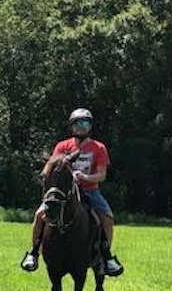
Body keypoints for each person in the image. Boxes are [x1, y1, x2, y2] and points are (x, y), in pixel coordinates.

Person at [20, 107, 124, 276]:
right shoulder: (62, 146)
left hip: (90, 191)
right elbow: (51, 168)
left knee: (107, 217)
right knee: (40, 214)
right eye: (77, 123)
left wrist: (84, 177)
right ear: (71, 125)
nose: (80, 126)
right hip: (62, 192)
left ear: (90, 126)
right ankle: (33, 253)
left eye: (84, 122)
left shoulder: (98, 148)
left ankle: (106, 257)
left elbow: (102, 175)